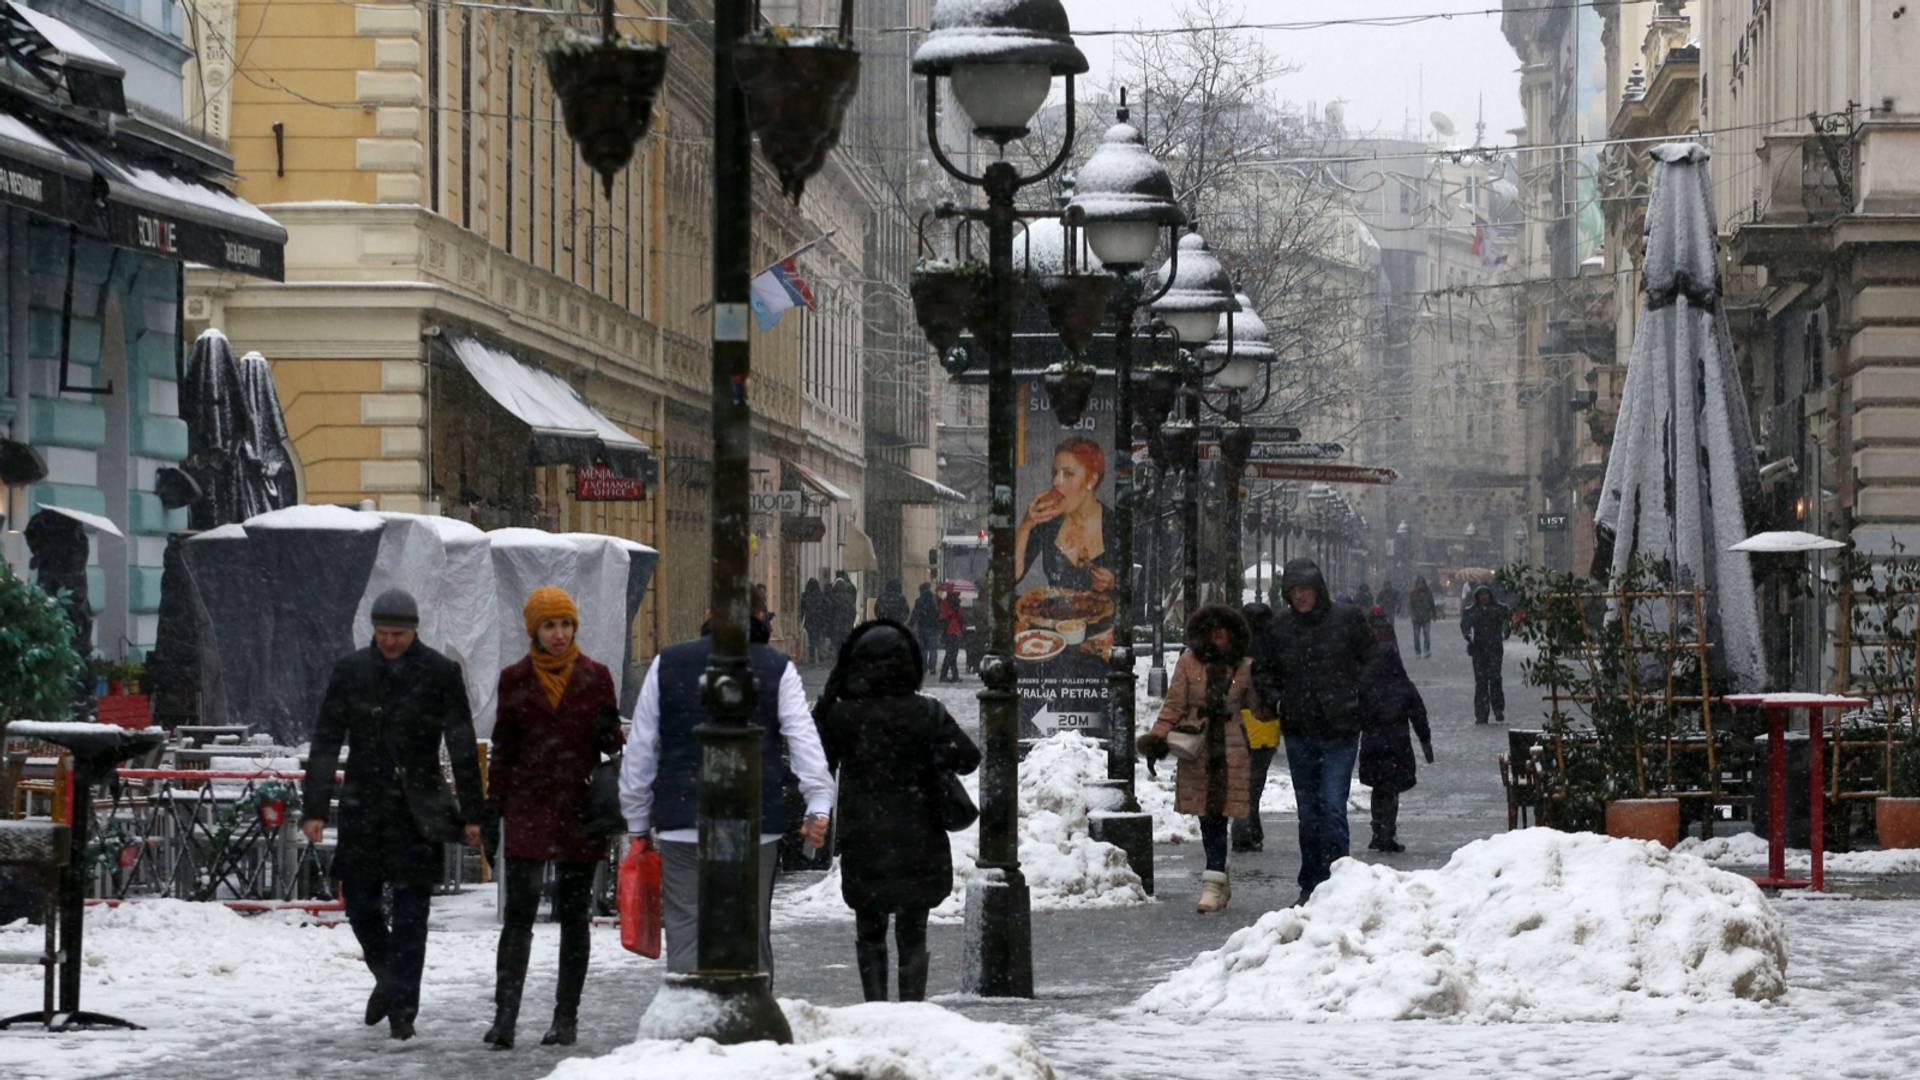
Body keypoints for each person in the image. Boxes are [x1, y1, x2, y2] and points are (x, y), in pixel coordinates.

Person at [301, 589, 485, 1041]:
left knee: (411, 914)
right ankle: (387, 976)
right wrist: (315, 807)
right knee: (360, 905)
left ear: (414, 629)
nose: (389, 641)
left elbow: (462, 746)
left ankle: (404, 1008)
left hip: (417, 808)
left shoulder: (441, 672)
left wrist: (474, 813)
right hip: (364, 803)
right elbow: (326, 740)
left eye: (398, 634)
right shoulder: (351, 671)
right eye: (382, 633)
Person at [618, 613, 835, 979]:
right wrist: (818, 802)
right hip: (752, 824)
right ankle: (749, 1021)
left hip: (684, 822)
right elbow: (803, 742)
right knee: (749, 934)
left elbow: (640, 749)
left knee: (687, 932)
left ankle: (690, 1023)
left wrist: (638, 823)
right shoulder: (775, 667)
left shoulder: (667, 663)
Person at [483, 587, 623, 1050]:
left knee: (574, 916)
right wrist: (492, 809)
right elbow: (503, 748)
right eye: (549, 626)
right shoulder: (515, 679)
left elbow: (610, 745)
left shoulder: (596, 677)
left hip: (578, 811)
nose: (559, 634)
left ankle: (566, 1017)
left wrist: (610, 734)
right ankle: (505, 1016)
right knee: (518, 916)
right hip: (528, 808)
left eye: (565, 624)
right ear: (534, 631)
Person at [813, 620, 980, 1001]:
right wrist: (931, 755)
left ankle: (875, 1006)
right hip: (919, 835)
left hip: (865, 837)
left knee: (869, 929)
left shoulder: (844, 716)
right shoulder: (927, 712)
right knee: (913, 929)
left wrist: (830, 698)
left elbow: (814, 757)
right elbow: (969, 757)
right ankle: (911, 1008)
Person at [1251, 559, 1377, 905]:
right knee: (1308, 811)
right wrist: (1279, 700)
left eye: (1305, 589)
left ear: (1318, 589)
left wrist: (1356, 699)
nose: (1300, 596)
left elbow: (1372, 661)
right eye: (1293, 591)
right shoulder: (1280, 628)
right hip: (1299, 728)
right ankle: (1311, 883)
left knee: (1333, 805)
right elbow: (1263, 671)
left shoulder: (1346, 620)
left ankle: (1338, 884)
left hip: (1340, 728)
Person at [1137, 605, 1253, 914]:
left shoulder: (1244, 666)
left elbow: (1259, 707)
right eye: (1211, 630)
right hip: (1197, 747)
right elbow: (1174, 704)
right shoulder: (1189, 662)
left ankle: (1213, 881)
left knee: (1221, 812)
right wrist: (1158, 738)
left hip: (1231, 748)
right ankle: (1216, 876)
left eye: (1222, 630)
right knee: (1206, 814)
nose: (1217, 636)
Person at [1359, 623, 1433, 854]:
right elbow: (1419, 714)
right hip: (1397, 744)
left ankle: (1377, 831)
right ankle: (1387, 833)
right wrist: (1426, 742)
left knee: (1379, 788)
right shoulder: (1403, 685)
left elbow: (1354, 713)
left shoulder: (1366, 686)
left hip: (1372, 744)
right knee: (1391, 790)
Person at [1015, 436, 1118, 593]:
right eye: (1055, 473)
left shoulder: (1114, 524)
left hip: (1101, 616)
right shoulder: (1048, 519)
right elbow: (1012, 577)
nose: (1056, 481)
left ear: (1091, 479)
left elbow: (1132, 587)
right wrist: (1025, 526)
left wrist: (1113, 583)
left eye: (1068, 474)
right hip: (1054, 616)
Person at [1231, 602, 1282, 854]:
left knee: (1243, 779)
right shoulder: (1272, 648)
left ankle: (1248, 828)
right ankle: (1245, 829)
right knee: (1254, 781)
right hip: (1263, 720)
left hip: (1236, 719)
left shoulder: (1234, 648)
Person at [1461, 584, 1513, 724]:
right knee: (1481, 681)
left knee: (1495, 678)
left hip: (1494, 648)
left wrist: (1505, 633)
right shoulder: (1472, 611)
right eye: (1481, 595)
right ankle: (1481, 713)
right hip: (1478, 648)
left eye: (1486, 595)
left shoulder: (1498, 609)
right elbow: (1465, 626)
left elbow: (1508, 621)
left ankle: (1498, 709)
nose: (1484, 597)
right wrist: (1468, 636)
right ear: (1477, 597)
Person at [909, 582, 942, 675]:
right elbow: (941, 613)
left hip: (922, 627)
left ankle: (924, 667)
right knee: (933, 649)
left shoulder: (919, 601)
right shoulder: (936, 599)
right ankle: (932, 668)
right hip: (934, 627)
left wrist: (910, 624)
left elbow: (915, 614)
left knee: (923, 648)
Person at [938, 589, 965, 683]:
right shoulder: (954, 604)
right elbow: (960, 618)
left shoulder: (945, 602)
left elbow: (942, 616)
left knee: (950, 654)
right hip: (953, 630)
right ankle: (946, 675)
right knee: (952, 654)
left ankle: (952, 675)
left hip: (948, 631)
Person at [801, 576, 829, 663]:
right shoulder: (821, 595)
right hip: (819, 620)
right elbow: (826, 608)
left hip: (810, 620)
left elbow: (802, 609)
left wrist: (801, 619)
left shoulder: (806, 595)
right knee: (819, 637)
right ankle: (820, 654)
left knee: (811, 638)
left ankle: (812, 655)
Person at [1408, 577, 1436, 658]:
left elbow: (1432, 604)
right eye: (1419, 584)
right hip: (1416, 618)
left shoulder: (1428, 593)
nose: (1420, 585)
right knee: (1416, 636)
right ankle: (1417, 651)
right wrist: (1412, 614)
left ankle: (1426, 650)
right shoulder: (1413, 594)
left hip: (1426, 617)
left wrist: (1434, 614)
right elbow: (1410, 605)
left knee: (1426, 634)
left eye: (1422, 583)